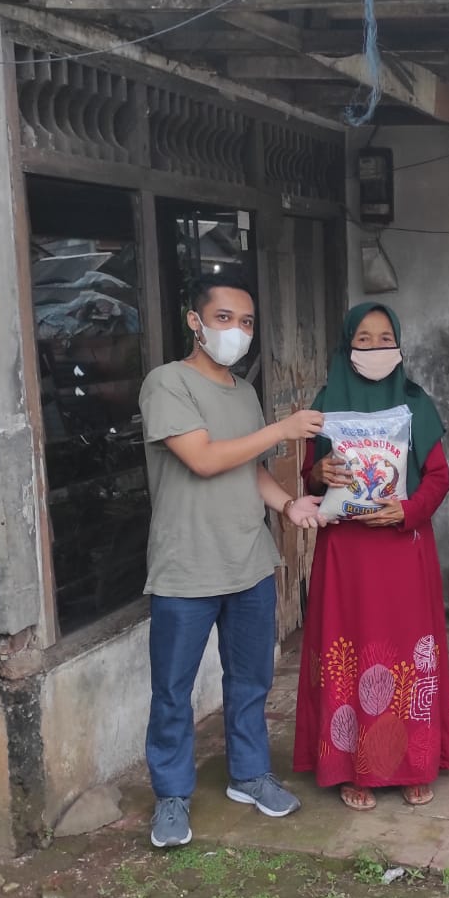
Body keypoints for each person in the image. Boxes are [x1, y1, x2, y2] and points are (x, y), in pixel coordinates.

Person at [138, 274, 324, 848]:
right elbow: (203, 458)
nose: (236, 332)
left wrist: (289, 504)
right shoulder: (166, 383)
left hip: (247, 558)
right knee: (174, 688)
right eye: (224, 319)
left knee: (250, 680)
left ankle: (249, 775)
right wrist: (282, 428)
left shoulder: (243, 393)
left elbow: (250, 468)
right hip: (187, 565)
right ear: (194, 321)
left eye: (245, 322)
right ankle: (171, 796)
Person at [294, 304, 449, 809]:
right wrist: (322, 474)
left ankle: (414, 762)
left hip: (402, 548)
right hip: (346, 552)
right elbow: (309, 476)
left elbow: (438, 478)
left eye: (386, 337)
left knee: (408, 649)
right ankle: (351, 766)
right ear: (347, 346)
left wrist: (406, 511)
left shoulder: (416, 403)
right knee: (349, 643)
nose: (377, 348)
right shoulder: (324, 404)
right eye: (364, 339)